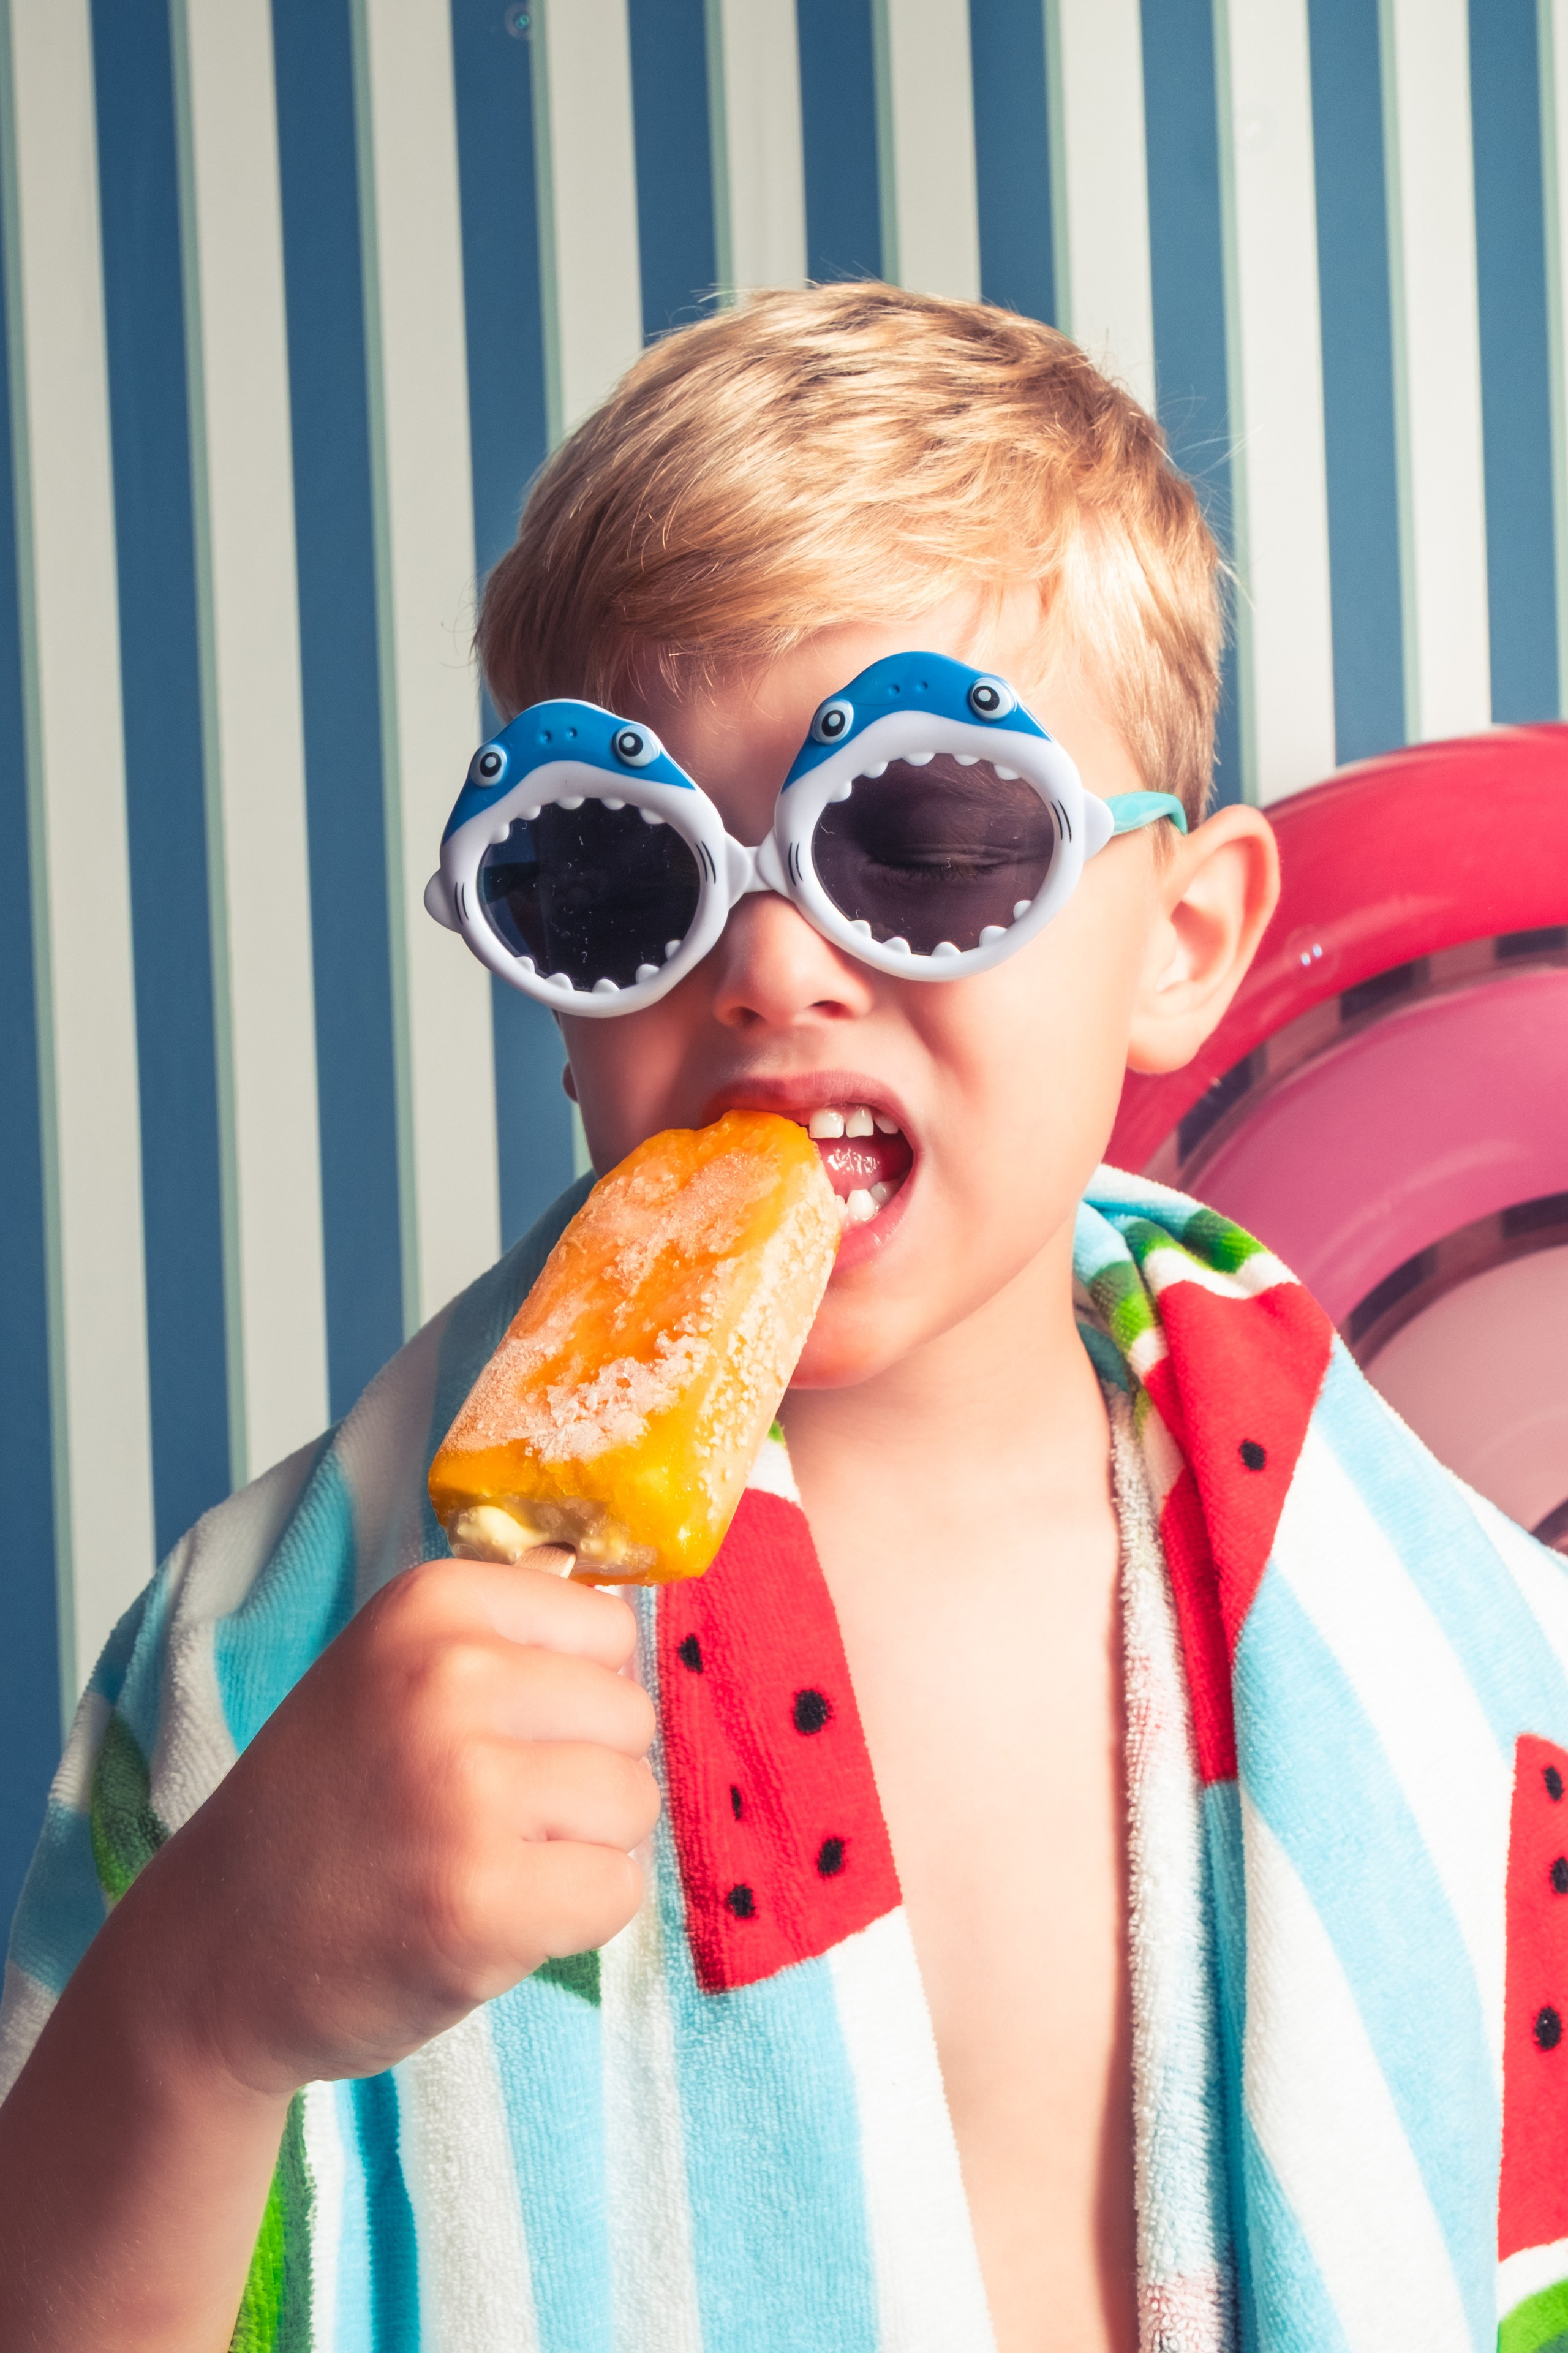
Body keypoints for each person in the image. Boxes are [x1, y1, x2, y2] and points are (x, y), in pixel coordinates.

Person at [0, 285, 1562, 2353]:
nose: (766, 965)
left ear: (1181, 941)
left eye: (925, 840)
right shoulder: (275, 1670)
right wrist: (198, 2009)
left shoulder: (1449, 1649)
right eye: (616, 874)